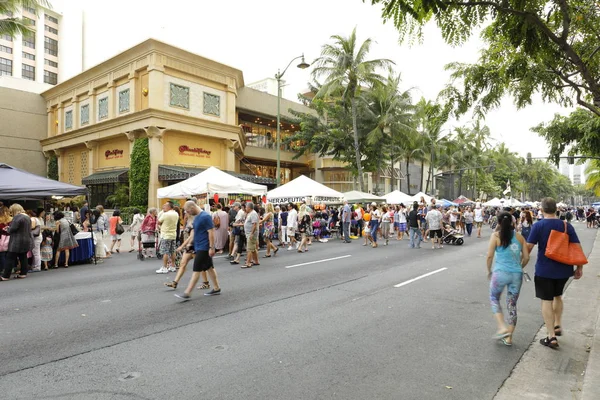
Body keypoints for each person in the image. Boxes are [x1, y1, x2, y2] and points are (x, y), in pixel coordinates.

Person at [527, 197, 584, 349]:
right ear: (556, 209)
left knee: (546, 300)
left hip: (544, 270)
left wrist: (520, 262)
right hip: (564, 269)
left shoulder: (538, 226)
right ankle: (558, 324)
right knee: (558, 295)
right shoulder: (566, 225)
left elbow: (528, 248)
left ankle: (551, 336)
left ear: (542, 209)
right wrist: (579, 267)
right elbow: (577, 247)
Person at [486, 211, 530, 346]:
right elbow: (527, 257)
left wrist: (489, 271)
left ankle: (502, 327)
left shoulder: (495, 236)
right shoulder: (520, 237)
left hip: (500, 273)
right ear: (513, 222)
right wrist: (519, 266)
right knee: (512, 305)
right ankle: (509, 337)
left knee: (494, 298)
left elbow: (489, 257)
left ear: (498, 222)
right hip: (516, 275)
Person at [174, 200, 221, 300]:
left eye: (187, 211)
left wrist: (211, 247)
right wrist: (190, 244)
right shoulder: (196, 218)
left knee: (196, 270)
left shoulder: (205, 216)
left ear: (192, 208)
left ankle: (187, 292)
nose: (187, 213)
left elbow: (211, 232)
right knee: (209, 268)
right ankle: (216, 288)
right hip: (198, 246)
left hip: (204, 247)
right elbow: (194, 232)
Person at [1, 204, 33, 280]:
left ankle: (5, 276)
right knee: (23, 257)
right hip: (26, 239)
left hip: (16, 241)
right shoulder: (27, 217)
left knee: (10, 257)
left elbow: (12, 229)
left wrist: (7, 229)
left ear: (15, 210)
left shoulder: (17, 217)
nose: (11, 213)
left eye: (12, 211)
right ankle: (23, 273)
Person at [156, 202, 180, 274]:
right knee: (173, 251)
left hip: (166, 235)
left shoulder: (165, 214)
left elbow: (159, 222)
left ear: (169, 207)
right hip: (173, 234)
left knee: (165, 252)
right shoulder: (176, 214)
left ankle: (164, 267)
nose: (164, 207)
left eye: (165, 206)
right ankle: (172, 266)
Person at [243, 202, 259, 268]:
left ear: (249, 207)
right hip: (249, 233)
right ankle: (256, 261)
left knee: (249, 248)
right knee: (253, 248)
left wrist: (252, 233)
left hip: (251, 233)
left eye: (246, 207)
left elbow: (254, 224)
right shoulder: (250, 213)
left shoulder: (253, 214)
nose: (245, 208)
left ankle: (248, 263)